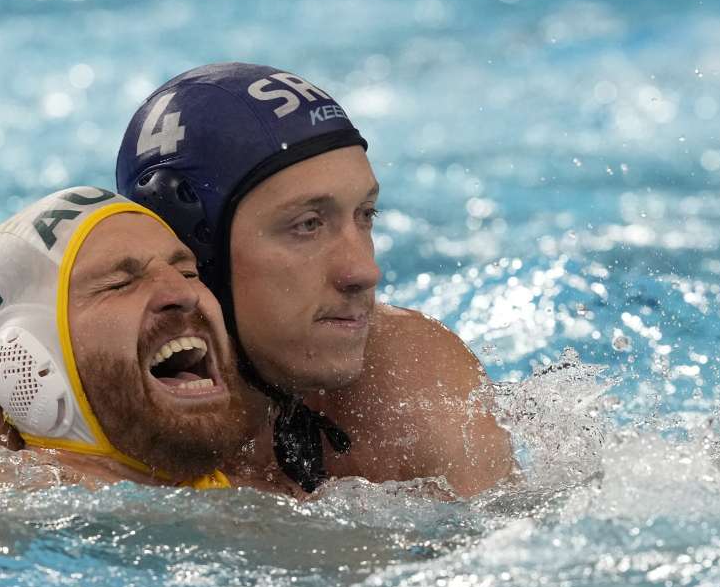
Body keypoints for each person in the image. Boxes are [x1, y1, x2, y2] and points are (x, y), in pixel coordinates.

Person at [116, 63, 516, 496]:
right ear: (193, 255)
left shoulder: (411, 382)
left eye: (366, 214)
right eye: (308, 224)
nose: (364, 272)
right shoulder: (93, 434)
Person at [0, 186, 294, 493]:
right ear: (30, 354)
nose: (184, 293)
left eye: (187, 272)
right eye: (120, 283)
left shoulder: (270, 491)